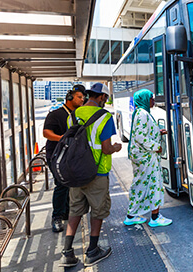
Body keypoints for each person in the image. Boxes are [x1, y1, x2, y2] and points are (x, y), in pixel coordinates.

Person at [60, 83, 122, 267]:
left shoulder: (72, 115)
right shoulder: (105, 117)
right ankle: (93, 250)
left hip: (75, 172)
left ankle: (67, 253)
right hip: (97, 172)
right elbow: (106, 148)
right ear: (102, 97)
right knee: (98, 210)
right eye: (105, 98)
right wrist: (117, 147)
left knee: (75, 210)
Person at [124, 89, 172, 228]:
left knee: (141, 185)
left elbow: (143, 132)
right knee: (154, 184)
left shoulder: (141, 113)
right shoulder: (142, 114)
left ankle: (132, 215)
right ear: (144, 99)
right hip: (146, 156)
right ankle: (155, 217)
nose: (153, 101)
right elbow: (140, 137)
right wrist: (156, 146)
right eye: (151, 98)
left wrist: (158, 132)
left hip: (143, 156)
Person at [43, 84, 86, 233]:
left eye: (83, 98)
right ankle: (57, 217)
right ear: (69, 97)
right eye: (79, 97)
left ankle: (67, 212)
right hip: (56, 155)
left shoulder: (78, 115)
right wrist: (62, 138)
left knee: (69, 184)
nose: (82, 100)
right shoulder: (56, 114)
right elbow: (46, 133)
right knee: (61, 184)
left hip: (70, 156)